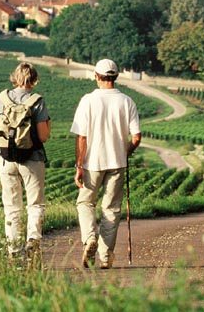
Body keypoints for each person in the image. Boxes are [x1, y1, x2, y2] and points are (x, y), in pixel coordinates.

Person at [71, 58, 141, 269]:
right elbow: (136, 137)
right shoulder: (127, 101)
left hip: (92, 162)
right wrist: (125, 153)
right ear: (116, 77)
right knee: (111, 209)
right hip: (117, 162)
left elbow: (81, 137)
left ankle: (89, 238)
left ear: (96, 76)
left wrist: (79, 165)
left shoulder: (87, 101)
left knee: (85, 203)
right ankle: (104, 256)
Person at [0, 62, 51, 262]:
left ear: (14, 77)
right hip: (32, 159)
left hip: (7, 159)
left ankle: (14, 251)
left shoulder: (2, 98)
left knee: (12, 207)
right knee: (35, 204)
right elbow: (42, 137)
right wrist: (48, 124)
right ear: (34, 79)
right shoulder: (37, 101)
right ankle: (32, 239)